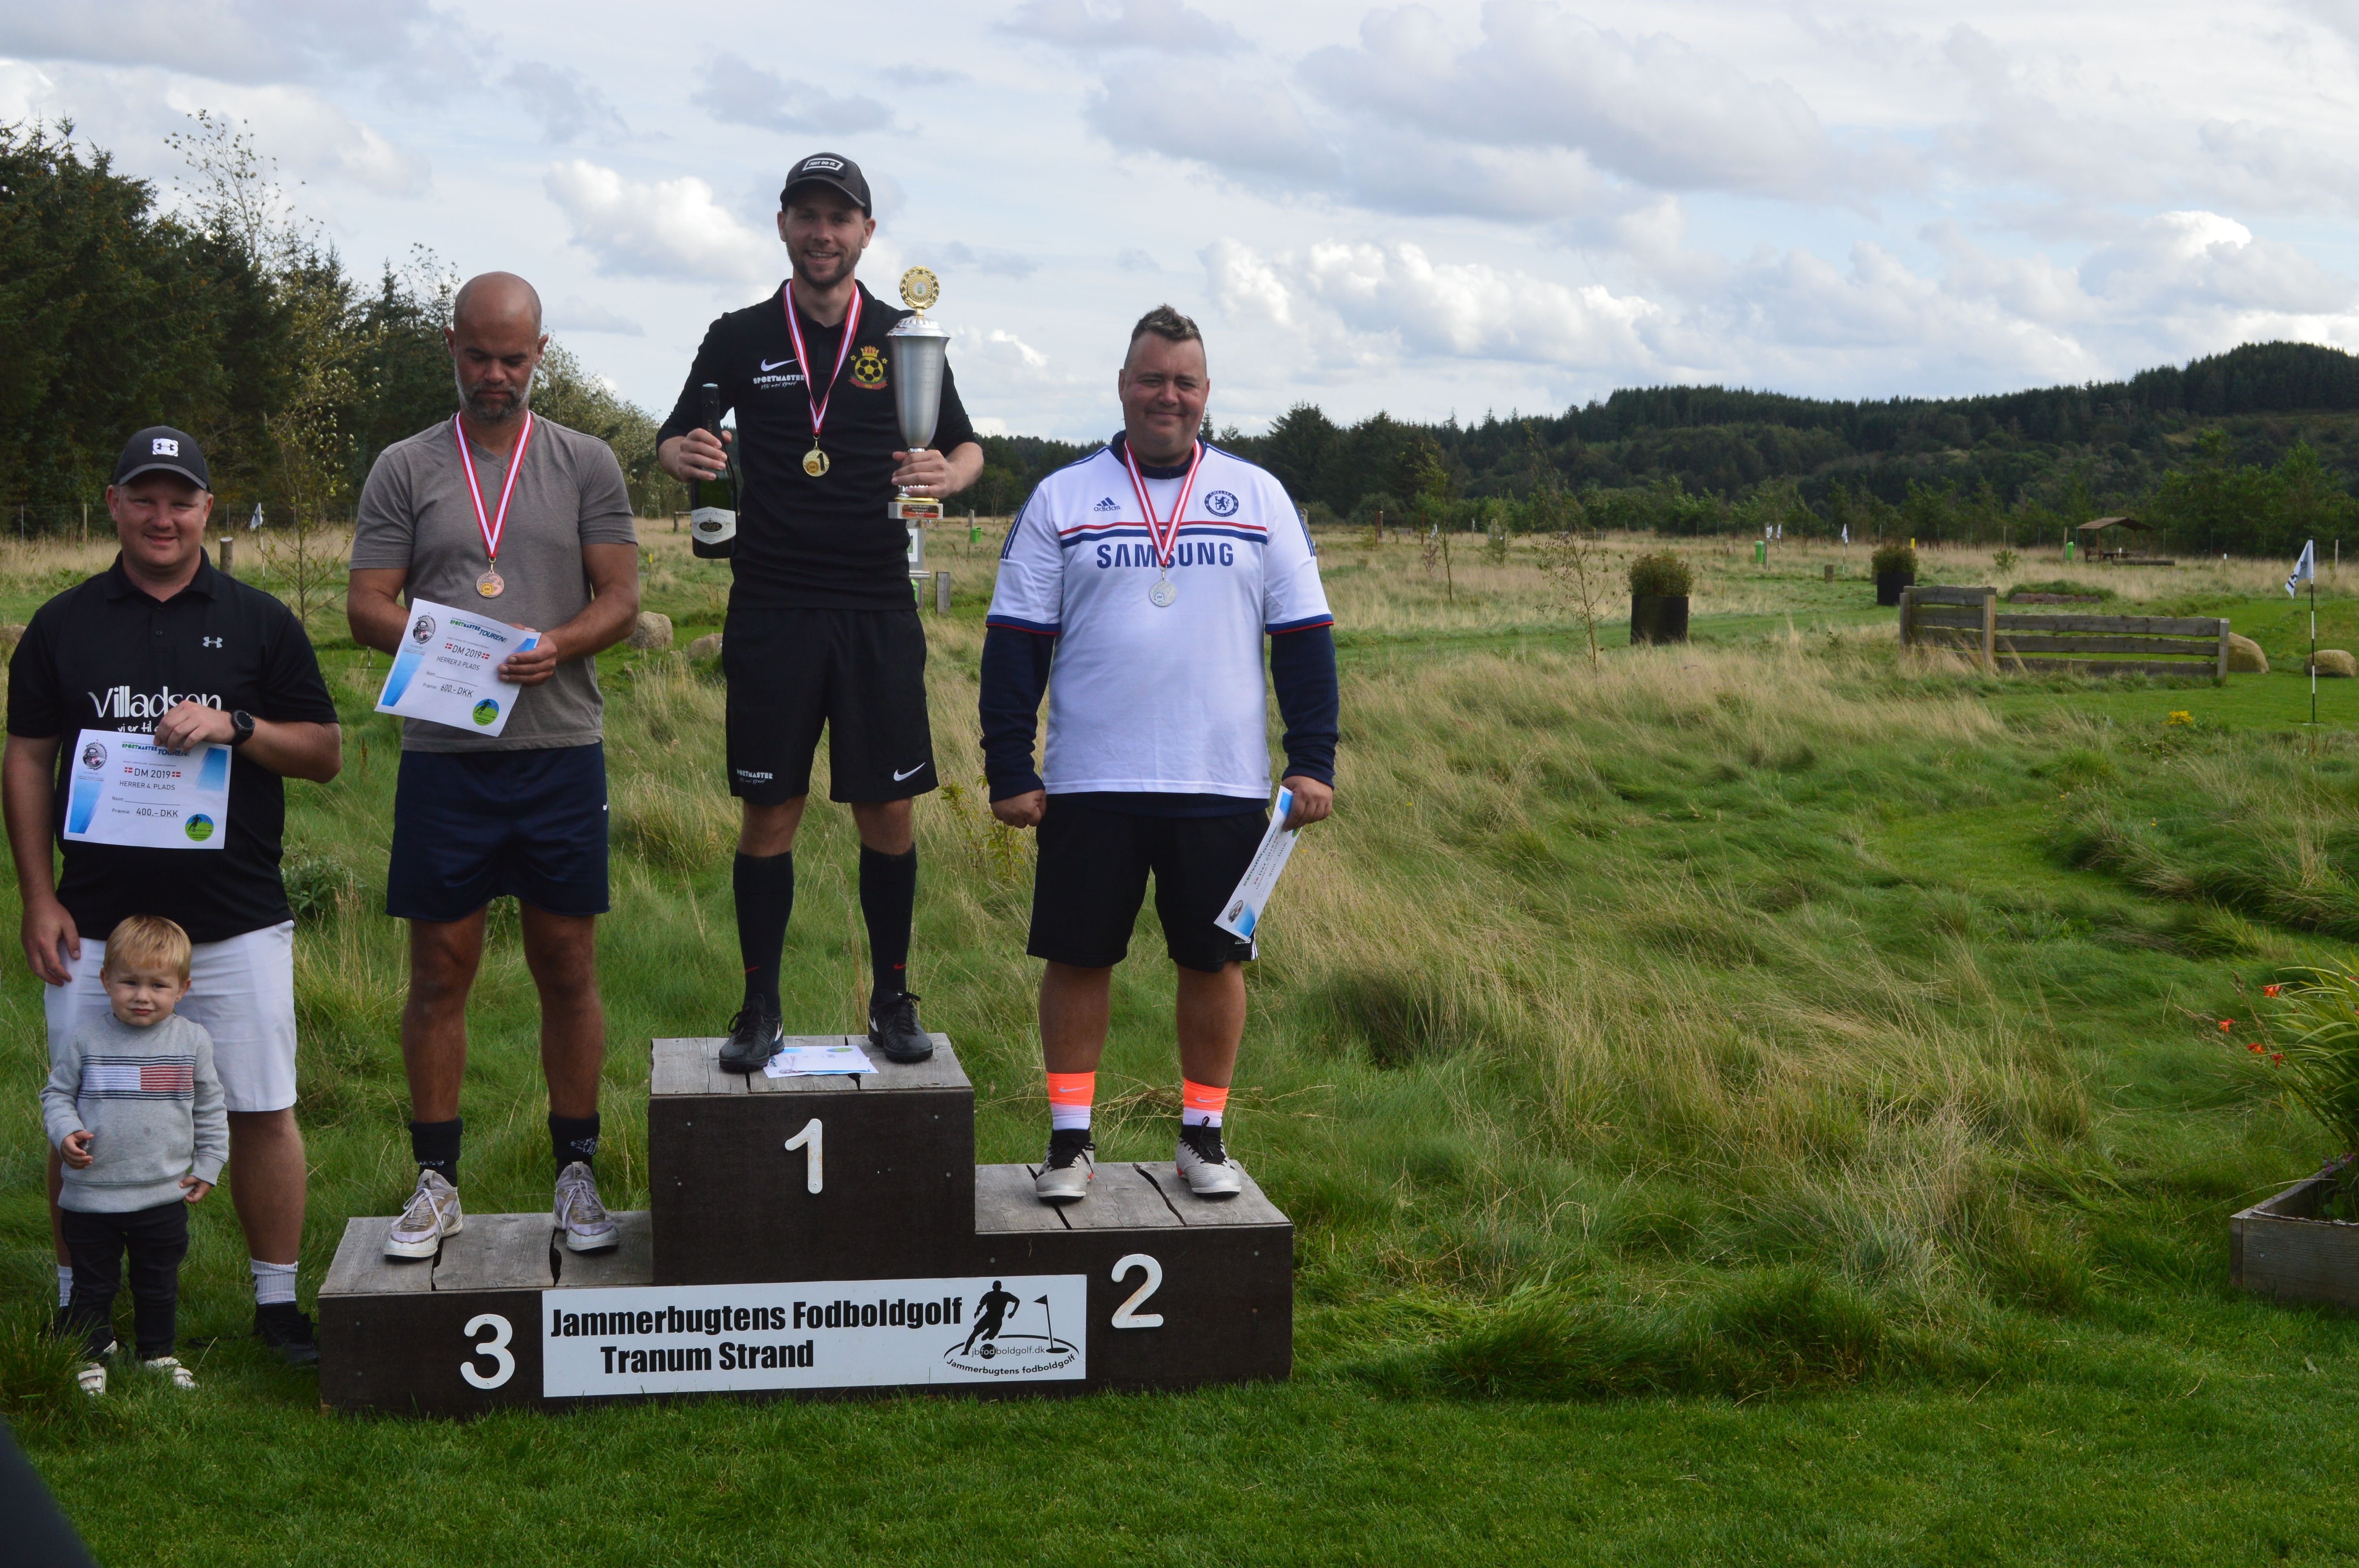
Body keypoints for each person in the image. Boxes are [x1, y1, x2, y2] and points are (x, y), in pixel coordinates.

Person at [981, 306, 1338, 1202]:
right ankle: (1069, 1142)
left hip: (1220, 782)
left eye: (1183, 381)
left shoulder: (1258, 497)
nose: (1166, 396)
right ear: (1122, 386)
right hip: (1088, 780)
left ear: (1206, 393)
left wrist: (1312, 760)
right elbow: (1015, 640)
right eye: (1150, 379)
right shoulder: (1063, 498)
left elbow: (1303, 640)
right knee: (1077, 956)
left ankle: (1202, 1135)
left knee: (1213, 962)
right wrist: (1008, 766)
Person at [5, 426, 343, 1367]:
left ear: (207, 509)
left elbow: (324, 752)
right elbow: (28, 759)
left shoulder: (259, 620)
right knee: (81, 1109)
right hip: (96, 925)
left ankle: (276, 1306)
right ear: (114, 503)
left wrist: (238, 725)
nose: (164, 516)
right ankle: (81, 1309)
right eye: (145, 497)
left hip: (234, 919)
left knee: (261, 1106)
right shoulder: (62, 624)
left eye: (181, 499)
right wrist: (38, 895)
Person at [656, 152, 984, 1073]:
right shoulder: (738, 335)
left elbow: (965, 446)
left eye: (840, 218)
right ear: (783, 226)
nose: (822, 233)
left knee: (889, 811)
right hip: (771, 604)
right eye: (807, 215)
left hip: (877, 603)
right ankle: (759, 1006)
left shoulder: (903, 337)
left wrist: (945, 474)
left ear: (866, 232)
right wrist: (684, 454)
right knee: (770, 812)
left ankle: (892, 999)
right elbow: (675, 434)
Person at [347, 272, 640, 1259]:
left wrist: (558, 644)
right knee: (439, 969)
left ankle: (576, 1172)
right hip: (445, 757)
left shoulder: (586, 461)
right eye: (477, 355)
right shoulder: (404, 466)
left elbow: (620, 598)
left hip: (559, 750)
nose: (495, 374)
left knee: (567, 963)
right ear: (451, 346)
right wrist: (450, 644)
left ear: (540, 354)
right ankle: (436, 1181)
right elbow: (366, 604)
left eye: (513, 358)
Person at [43, 915, 224, 1394]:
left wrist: (209, 1164)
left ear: (182, 989)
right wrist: (65, 1132)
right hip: (91, 1197)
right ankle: (90, 1352)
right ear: (106, 980)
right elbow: (56, 1095)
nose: (143, 996)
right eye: (130, 982)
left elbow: (210, 1108)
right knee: (92, 1283)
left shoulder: (192, 1042)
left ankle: (157, 1354)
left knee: (157, 1281)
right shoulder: (86, 1039)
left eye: (158, 985)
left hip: (163, 1194)